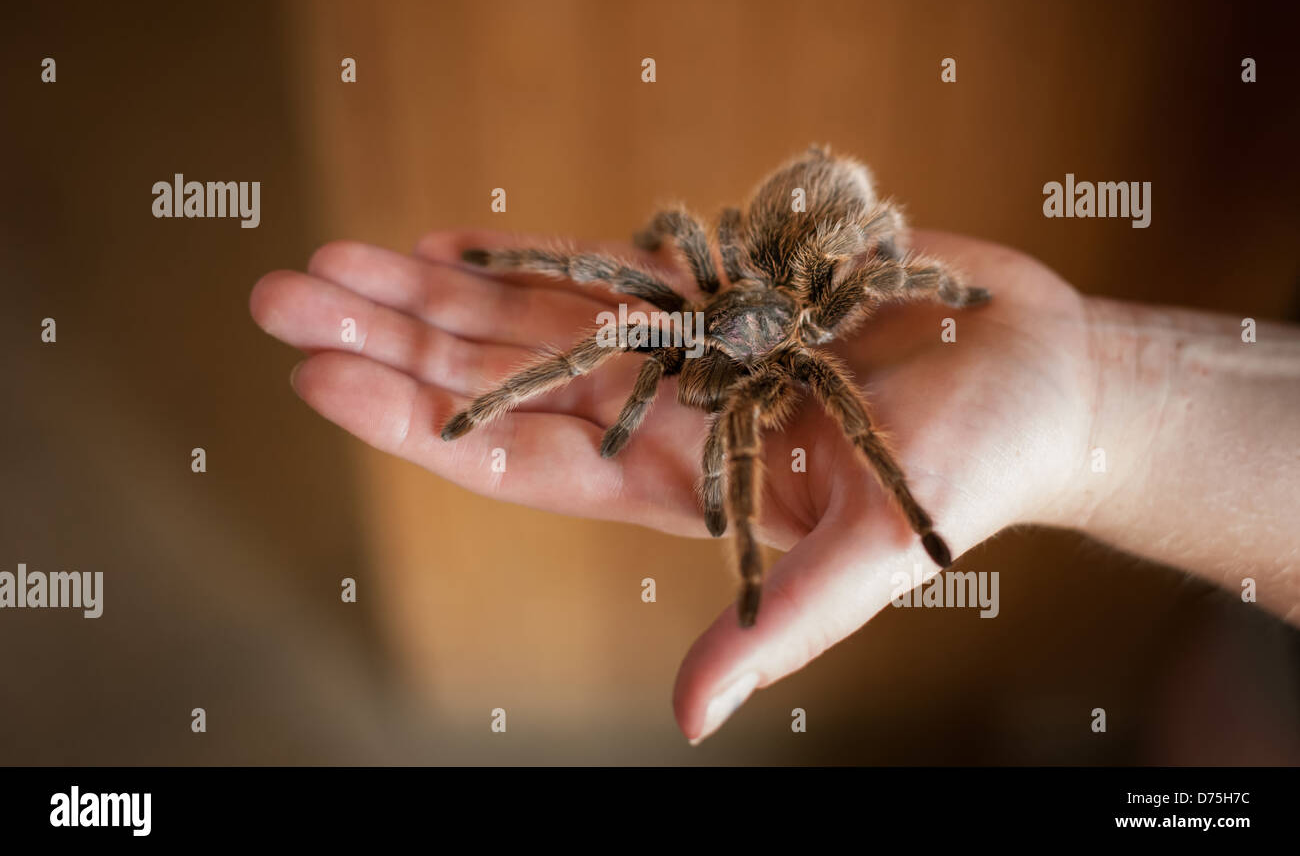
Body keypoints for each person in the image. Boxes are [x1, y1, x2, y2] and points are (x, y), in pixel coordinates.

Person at [249, 228, 1299, 744]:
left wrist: (1053, 364)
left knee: (740, 426)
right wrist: (509, 282)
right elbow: (650, 272)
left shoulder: (805, 348)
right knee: (619, 312)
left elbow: (839, 367)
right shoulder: (693, 307)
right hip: (751, 290)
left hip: (793, 293)